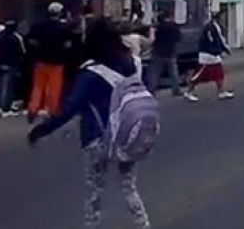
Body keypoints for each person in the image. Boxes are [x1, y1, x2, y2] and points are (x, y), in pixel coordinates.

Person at [28, 19, 151, 229]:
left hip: (97, 137)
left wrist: (41, 130)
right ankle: (143, 224)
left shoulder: (91, 72)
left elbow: (70, 108)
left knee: (95, 191)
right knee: (129, 187)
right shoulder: (133, 64)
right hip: (129, 133)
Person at [26, 2, 73, 120]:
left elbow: (31, 42)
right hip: (57, 63)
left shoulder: (38, 27)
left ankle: (33, 108)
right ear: (60, 13)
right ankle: (53, 110)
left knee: (37, 87)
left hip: (40, 61)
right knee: (54, 87)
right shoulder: (64, 29)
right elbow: (68, 46)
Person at [184, 12, 234, 102]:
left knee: (219, 73)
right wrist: (225, 49)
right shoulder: (212, 27)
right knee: (199, 76)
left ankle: (221, 92)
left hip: (212, 55)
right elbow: (217, 40)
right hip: (207, 56)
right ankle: (189, 92)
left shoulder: (210, 27)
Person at [0, 20, 25, 117]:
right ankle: (4, 107)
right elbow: (21, 52)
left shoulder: (0, 36)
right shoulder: (15, 38)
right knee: (6, 87)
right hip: (10, 64)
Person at [147, 14, 182, 96]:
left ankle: (151, 90)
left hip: (158, 52)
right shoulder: (174, 26)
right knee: (173, 73)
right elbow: (178, 38)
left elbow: (155, 39)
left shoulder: (159, 27)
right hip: (170, 52)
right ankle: (176, 90)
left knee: (155, 72)